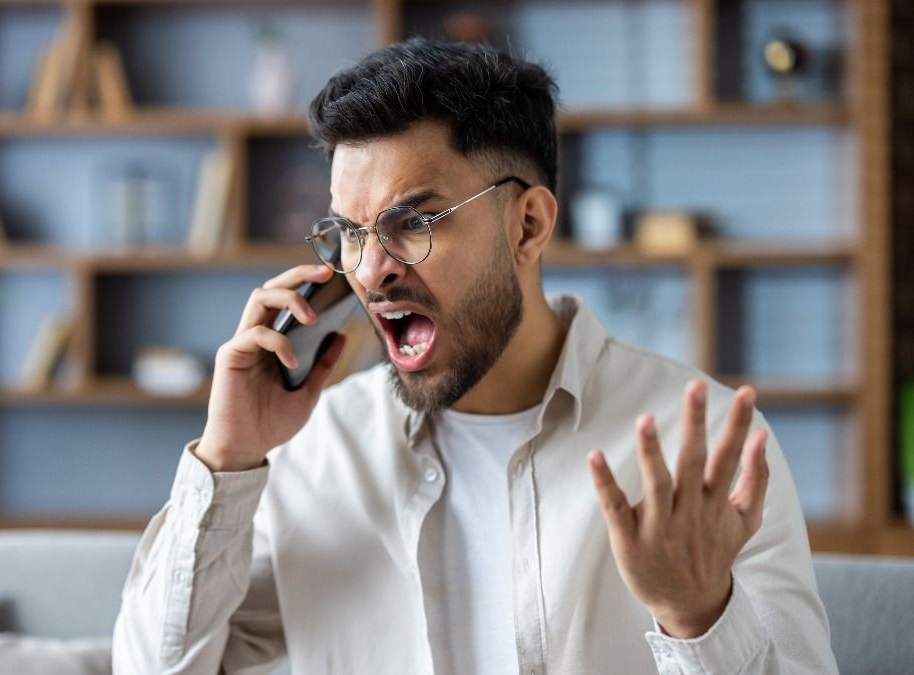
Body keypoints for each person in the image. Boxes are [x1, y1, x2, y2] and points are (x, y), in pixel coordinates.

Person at [113, 38, 837, 674]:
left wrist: (698, 614)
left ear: (527, 225)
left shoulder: (703, 450)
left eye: (414, 221)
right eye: (350, 233)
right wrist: (227, 458)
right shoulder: (311, 453)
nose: (368, 272)